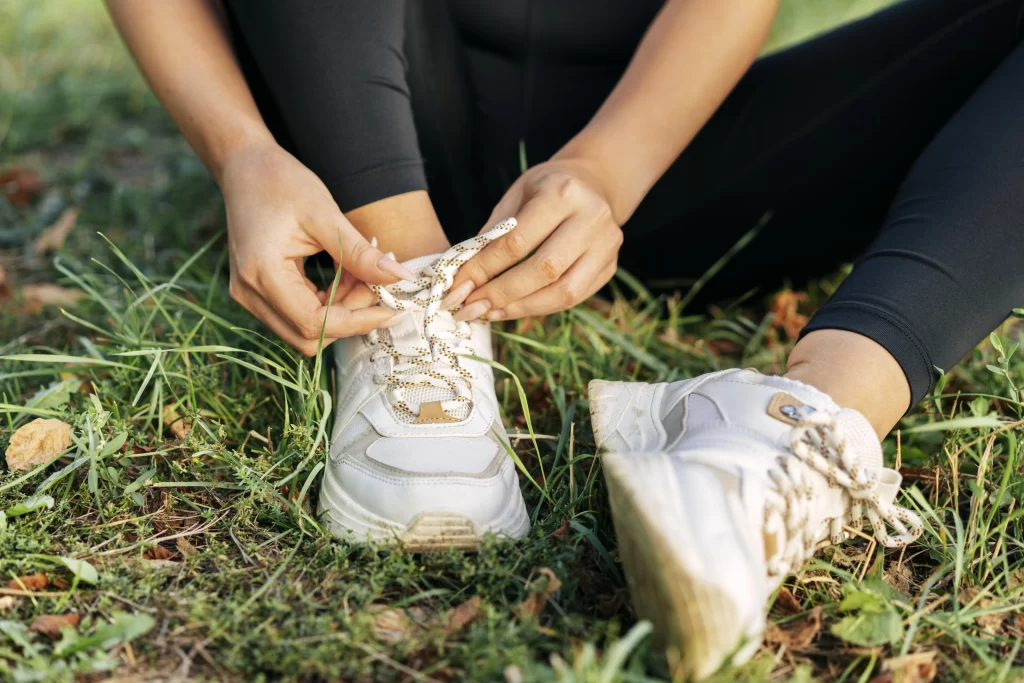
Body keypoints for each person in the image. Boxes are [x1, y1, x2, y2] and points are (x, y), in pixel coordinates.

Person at [107, 0, 1024, 677]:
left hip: (650, 133)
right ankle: (412, 303)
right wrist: (240, 151)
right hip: (359, 101)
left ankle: (793, 425)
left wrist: (607, 170)